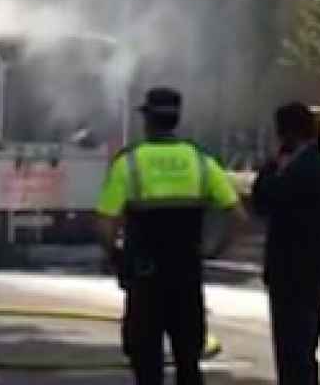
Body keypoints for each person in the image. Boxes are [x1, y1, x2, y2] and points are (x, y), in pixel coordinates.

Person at [96, 87, 243, 385]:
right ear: (177, 119)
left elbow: (105, 222)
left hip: (145, 278)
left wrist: (115, 257)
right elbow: (238, 217)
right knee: (188, 361)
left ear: (147, 120)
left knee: (146, 362)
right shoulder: (201, 162)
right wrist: (215, 251)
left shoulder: (130, 163)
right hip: (187, 277)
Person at [251, 101, 320, 385]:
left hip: (291, 272)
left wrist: (272, 167)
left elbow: (264, 200)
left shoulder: (291, 169)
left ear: (287, 134)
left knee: (291, 349)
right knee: (306, 345)